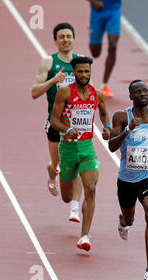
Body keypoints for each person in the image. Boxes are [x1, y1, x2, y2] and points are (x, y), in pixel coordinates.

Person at [50, 56, 111, 251]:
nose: (83, 75)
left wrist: (107, 126)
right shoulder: (65, 93)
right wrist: (67, 130)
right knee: (67, 198)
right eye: (80, 71)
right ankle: (57, 171)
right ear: (74, 73)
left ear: (90, 72)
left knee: (91, 189)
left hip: (87, 148)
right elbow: (54, 120)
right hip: (67, 148)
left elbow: (103, 112)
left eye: (87, 71)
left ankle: (84, 236)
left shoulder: (97, 94)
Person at [109, 80, 148, 280]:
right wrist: (128, 130)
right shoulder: (122, 117)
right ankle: (123, 221)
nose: (142, 94)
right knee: (130, 219)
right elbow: (111, 145)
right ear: (130, 97)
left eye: (145, 91)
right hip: (126, 180)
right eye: (137, 92)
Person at [31, 22, 84, 223]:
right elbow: (34, 92)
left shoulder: (81, 63)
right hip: (54, 123)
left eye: (68, 36)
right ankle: (51, 171)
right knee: (58, 164)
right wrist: (53, 81)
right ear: (55, 40)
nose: (65, 39)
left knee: (77, 164)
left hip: (76, 124)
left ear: (74, 39)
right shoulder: (48, 63)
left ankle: (74, 207)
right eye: (61, 36)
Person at [87, 0, 122, 98]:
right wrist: (93, 2)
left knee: (113, 46)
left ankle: (104, 85)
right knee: (95, 53)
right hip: (97, 12)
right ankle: (92, 30)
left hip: (113, 12)